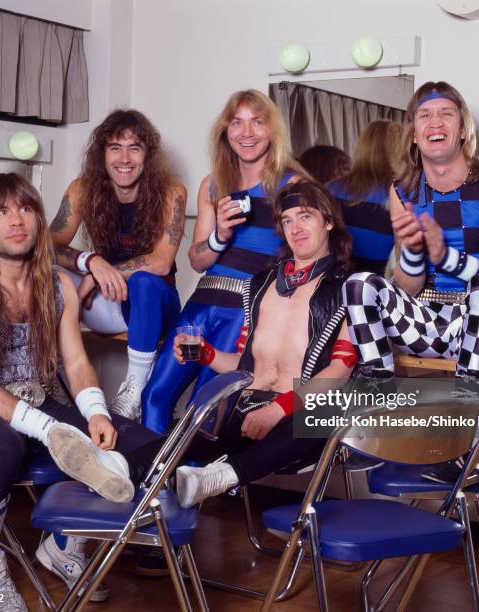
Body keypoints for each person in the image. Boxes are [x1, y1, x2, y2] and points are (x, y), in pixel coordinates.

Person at [0, 173, 159, 608]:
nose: (16, 221)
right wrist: (47, 428)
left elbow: (76, 362)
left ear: (39, 221)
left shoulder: (58, 285)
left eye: (25, 209)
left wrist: (96, 412)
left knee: (142, 445)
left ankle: (62, 547)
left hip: (45, 402)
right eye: (1, 211)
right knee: (2, 450)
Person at [129, 179, 355, 506]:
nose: (296, 228)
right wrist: (202, 353)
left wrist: (278, 409)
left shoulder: (352, 290)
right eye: (288, 220)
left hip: (299, 418)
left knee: (322, 415)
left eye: (305, 216)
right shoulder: (261, 285)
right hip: (246, 411)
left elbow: (340, 372)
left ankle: (220, 477)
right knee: (180, 436)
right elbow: (246, 366)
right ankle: (114, 469)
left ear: (329, 221)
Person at [141, 90, 306, 434]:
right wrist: (220, 235)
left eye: (257, 122)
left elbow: (310, 258)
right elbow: (198, 260)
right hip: (200, 308)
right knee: (155, 396)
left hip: (245, 312)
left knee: (206, 411)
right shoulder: (213, 185)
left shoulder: (293, 185)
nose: (247, 133)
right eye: (237, 123)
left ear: (272, 131)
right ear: (225, 132)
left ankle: (197, 487)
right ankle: (155, 486)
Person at [342, 81, 479, 386]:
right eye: (424, 115)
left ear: (463, 129)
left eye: (447, 113)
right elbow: (408, 288)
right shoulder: (402, 191)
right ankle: (378, 395)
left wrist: (445, 258)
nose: (435, 121)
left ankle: (468, 401)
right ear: (414, 134)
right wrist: (414, 252)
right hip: (426, 322)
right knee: (359, 284)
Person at [50, 109, 186, 420]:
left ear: (147, 155)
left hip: (152, 305)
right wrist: (90, 261)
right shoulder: (83, 189)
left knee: (144, 281)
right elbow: (46, 246)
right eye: (115, 147)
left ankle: (134, 390)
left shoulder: (171, 192)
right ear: (102, 154)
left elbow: (161, 263)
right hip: (107, 301)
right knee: (48, 276)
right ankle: (52, 378)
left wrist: (97, 275)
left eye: (134, 148)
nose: (124, 158)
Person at [327, 120, 402, 277]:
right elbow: (403, 260)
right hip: (373, 287)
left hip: (331, 284)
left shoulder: (331, 189)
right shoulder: (401, 196)